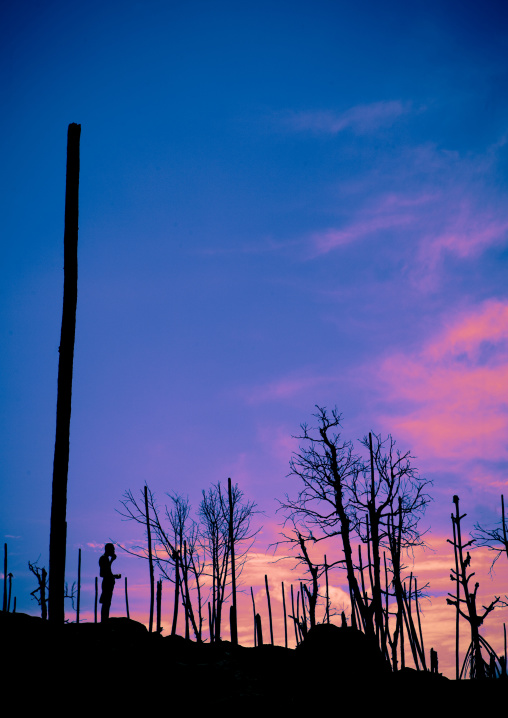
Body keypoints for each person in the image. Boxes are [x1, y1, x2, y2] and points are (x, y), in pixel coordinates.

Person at [99, 543, 121, 622]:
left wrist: (114, 576)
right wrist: (112, 561)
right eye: (113, 549)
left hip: (108, 583)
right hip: (106, 584)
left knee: (107, 603)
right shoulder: (103, 559)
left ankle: (104, 620)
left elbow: (107, 572)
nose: (114, 551)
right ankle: (104, 621)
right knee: (106, 603)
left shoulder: (106, 559)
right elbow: (103, 573)